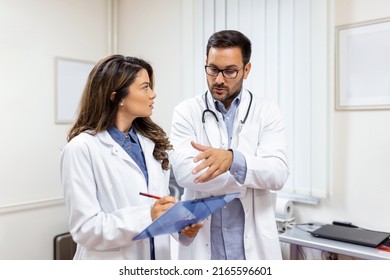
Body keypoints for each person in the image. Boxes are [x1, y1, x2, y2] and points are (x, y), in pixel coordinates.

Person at [60, 54, 201, 260]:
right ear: (116, 97)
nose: (153, 94)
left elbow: (158, 209)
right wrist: (148, 216)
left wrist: (180, 228)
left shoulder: (151, 143)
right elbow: (85, 229)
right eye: (145, 87)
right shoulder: (81, 149)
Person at [169, 30, 289, 260]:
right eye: (213, 69)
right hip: (205, 249)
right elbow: (186, 174)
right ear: (205, 63)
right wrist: (248, 173)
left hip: (251, 251)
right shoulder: (186, 112)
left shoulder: (267, 111)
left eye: (230, 71)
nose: (219, 79)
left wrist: (233, 160)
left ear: (247, 69)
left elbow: (278, 174)